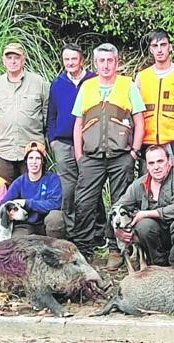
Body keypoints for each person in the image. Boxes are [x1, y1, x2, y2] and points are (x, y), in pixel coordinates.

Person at [70, 43, 146, 265]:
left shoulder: (127, 85)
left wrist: (134, 151)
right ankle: (84, 249)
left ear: (117, 63)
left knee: (121, 203)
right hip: (91, 156)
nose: (105, 65)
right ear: (95, 63)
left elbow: (140, 121)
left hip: (121, 155)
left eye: (109, 61)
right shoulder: (87, 87)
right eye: (101, 61)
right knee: (84, 202)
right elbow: (78, 124)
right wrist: (79, 155)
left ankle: (116, 249)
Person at [47, 43, 102, 240]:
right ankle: (72, 232)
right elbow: (51, 114)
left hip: (89, 143)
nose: (70, 63)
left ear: (82, 60)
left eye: (73, 59)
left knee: (90, 187)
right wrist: (52, 139)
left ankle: (97, 231)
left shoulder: (94, 81)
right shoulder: (58, 83)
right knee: (68, 190)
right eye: (66, 59)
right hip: (63, 143)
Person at [113, 145, 174, 267]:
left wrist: (146, 213)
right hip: (156, 236)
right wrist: (117, 229)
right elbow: (117, 207)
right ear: (147, 166)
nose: (156, 167)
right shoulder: (139, 184)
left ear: (169, 161)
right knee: (143, 225)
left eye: (160, 161)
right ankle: (158, 265)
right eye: (151, 163)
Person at [0, 141, 63, 245]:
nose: (34, 162)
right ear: (26, 161)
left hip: (46, 223)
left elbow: (55, 203)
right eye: (30, 158)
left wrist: (27, 203)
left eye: (38, 158)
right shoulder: (19, 182)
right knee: (16, 245)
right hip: (25, 225)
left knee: (56, 217)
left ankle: (56, 248)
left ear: (43, 161)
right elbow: (2, 205)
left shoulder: (52, 178)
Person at [0, 42, 49, 184]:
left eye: (16, 57)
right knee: (7, 190)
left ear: (24, 59)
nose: (13, 61)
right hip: (5, 149)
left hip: (32, 149)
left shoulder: (39, 83)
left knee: (33, 189)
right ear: (4, 61)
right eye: (9, 58)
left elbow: (47, 113)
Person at [135, 29, 174, 170]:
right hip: (148, 142)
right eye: (155, 46)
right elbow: (135, 113)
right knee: (148, 188)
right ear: (150, 50)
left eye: (163, 45)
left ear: (170, 47)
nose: (159, 50)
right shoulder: (142, 77)